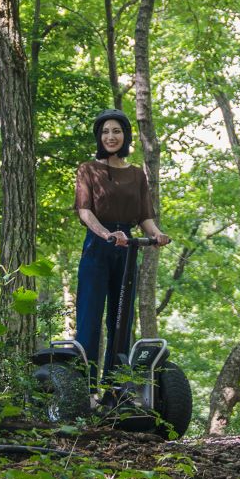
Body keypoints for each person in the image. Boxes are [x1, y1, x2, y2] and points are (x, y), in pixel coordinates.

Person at [74, 109, 170, 379]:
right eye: (105, 132)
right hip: (97, 246)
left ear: (125, 136)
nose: (110, 136)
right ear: (99, 137)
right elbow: (84, 211)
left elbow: (144, 217)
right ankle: (86, 386)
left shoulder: (137, 174)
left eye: (116, 131)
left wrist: (158, 234)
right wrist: (106, 234)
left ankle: (115, 385)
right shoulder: (88, 170)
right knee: (89, 319)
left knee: (121, 320)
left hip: (127, 249)